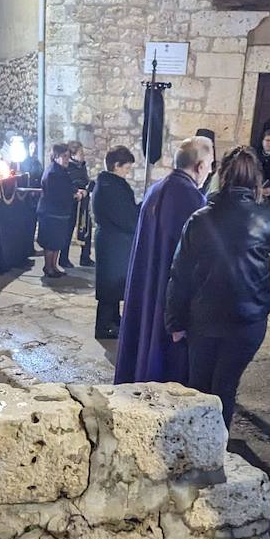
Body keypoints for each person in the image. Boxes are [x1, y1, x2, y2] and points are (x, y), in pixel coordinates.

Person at [166, 147, 270, 428]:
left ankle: (195, 446)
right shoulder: (265, 216)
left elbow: (180, 274)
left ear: (221, 176)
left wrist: (175, 322)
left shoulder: (200, 219)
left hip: (205, 318)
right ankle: (217, 455)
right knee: (225, 387)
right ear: (256, 181)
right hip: (247, 321)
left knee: (198, 386)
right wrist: (263, 207)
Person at [114, 135, 212, 384]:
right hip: (169, 296)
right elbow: (193, 263)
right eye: (210, 165)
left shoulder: (155, 190)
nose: (210, 171)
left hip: (146, 285)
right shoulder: (193, 201)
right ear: (200, 166)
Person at [92, 145, 140, 339]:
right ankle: (104, 327)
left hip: (114, 242)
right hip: (114, 244)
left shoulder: (110, 184)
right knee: (110, 287)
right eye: (127, 168)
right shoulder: (111, 187)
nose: (128, 172)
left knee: (113, 286)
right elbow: (126, 218)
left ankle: (113, 320)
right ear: (116, 166)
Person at [38, 143, 80, 278]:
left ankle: (54, 266)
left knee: (57, 242)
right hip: (51, 213)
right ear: (56, 157)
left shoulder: (60, 171)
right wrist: (74, 195)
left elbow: (67, 186)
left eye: (69, 156)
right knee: (51, 242)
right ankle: (48, 267)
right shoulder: (53, 173)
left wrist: (75, 191)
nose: (68, 159)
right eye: (65, 156)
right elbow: (57, 194)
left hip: (59, 213)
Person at [68, 140, 93, 267]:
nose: (83, 155)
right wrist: (78, 190)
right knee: (69, 229)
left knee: (87, 228)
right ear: (73, 155)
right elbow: (70, 183)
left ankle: (85, 257)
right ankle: (63, 258)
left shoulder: (82, 165)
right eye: (80, 153)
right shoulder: (69, 167)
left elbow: (85, 180)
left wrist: (88, 187)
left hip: (83, 202)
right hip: (73, 203)